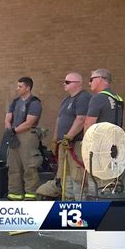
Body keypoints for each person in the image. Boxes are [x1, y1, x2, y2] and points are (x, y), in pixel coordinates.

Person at [36, 72, 91, 200]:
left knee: (77, 174)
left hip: (75, 144)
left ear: (77, 83)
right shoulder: (66, 99)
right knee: (64, 175)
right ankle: (67, 201)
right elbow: (59, 120)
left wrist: (69, 137)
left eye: (67, 82)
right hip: (64, 144)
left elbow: (81, 119)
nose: (64, 84)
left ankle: (80, 203)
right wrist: (55, 140)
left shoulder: (83, 98)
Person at [83, 69, 124, 196]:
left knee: (97, 184)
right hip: (116, 146)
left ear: (100, 79)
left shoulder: (98, 98)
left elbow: (88, 124)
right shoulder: (118, 99)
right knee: (114, 183)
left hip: (100, 148)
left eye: (91, 79)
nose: (89, 83)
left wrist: (86, 146)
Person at [5, 77, 43, 201]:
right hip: (13, 134)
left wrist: (14, 131)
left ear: (28, 87)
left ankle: (31, 195)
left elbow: (29, 122)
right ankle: (14, 194)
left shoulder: (34, 103)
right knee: (13, 166)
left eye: (20, 86)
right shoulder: (15, 101)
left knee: (29, 167)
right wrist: (9, 130)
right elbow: (8, 118)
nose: (17, 89)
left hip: (27, 136)